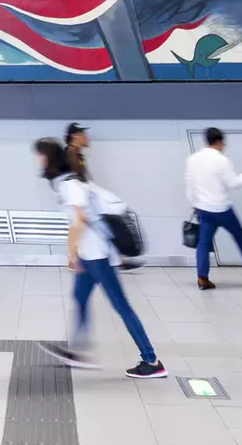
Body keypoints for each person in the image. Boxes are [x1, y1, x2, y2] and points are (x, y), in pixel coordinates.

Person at [38, 134, 165, 379]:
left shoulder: (68, 185)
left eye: (40, 155)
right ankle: (77, 351)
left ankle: (152, 361)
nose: (38, 161)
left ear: (49, 158)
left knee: (121, 306)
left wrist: (71, 253)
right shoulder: (71, 182)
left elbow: (78, 221)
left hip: (96, 254)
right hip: (92, 253)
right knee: (80, 296)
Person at [185, 127, 242, 291]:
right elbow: (232, 183)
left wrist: (195, 204)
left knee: (203, 243)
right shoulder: (222, 161)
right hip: (222, 210)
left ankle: (202, 278)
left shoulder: (193, 159)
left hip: (204, 210)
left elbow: (189, 186)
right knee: (241, 240)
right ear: (219, 141)